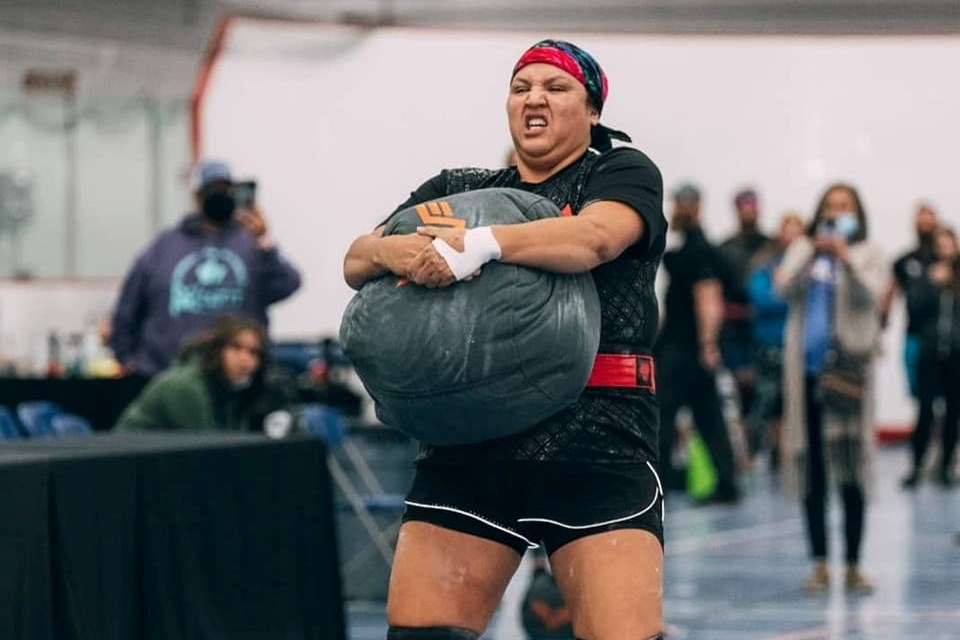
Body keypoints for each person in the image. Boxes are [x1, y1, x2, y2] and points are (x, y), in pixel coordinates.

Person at [343, 40, 667, 640]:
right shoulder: (459, 186)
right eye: (521, 88)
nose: (534, 98)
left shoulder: (620, 172)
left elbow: (594, 239)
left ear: (592, 110)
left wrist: (480, 245)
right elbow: (356, 258)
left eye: (555, 87)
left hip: (596, 443)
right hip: (471, 441)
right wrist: (397, 251)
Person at [775, 183, 887, 594]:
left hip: (849, 377)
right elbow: (782, 288)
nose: (838, 213)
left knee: (851, 468)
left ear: (857, 213)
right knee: (813, 472)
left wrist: (845, 261)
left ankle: (854, 564)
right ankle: (820, 563)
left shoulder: (869, 252)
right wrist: (810, 258)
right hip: (806, 374)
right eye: (831, 206)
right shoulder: (804, 249)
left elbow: (873, 296)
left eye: (846, 207)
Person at [109, 160, 301, 377]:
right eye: (212, 190)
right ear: (197, 196)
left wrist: (263, 241)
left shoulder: (249, 243)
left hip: (234, 384)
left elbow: (288, 284)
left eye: (225, 189)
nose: (219, 195)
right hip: (166, 376)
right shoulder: (164, 246)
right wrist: (128, 360)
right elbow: (126, 310)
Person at [656, 183, 740, 504]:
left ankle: (659, 483)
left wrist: (708, 343)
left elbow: (708, 298)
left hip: (686, 349)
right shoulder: (684, 248)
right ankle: (727, 482)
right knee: (708, 416)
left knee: (664, 414)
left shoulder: (698, 250)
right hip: (681, 345)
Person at [115, 315, 275, 432]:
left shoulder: (232, 389)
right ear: (216, 349)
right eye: (235, 347)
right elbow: (209, 452)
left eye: (254, 353)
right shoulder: (184, 386)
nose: (244, 359)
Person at [901, 226, 960, 488]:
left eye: (950, 244)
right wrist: (932, 284)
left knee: (952, 412)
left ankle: (946, 467)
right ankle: (916, 466)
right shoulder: (924, 275)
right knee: (925, 411)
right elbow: (913, 306)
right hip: (929, 351)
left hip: (956, 354)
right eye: (941, 244)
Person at [745, 212, 805, 467]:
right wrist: (789, 295)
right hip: (770, 342)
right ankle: (753, 453)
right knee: (767, 399)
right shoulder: (765, 264)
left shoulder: (811, 263)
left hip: (800, 343)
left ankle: (788, 453)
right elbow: (761, 298)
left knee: (795, 400)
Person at [717, 188, 773, 424]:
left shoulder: (771, 247)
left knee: (768, 394)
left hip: (764, 331)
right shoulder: (724, 249)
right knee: (736, 393)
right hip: (733, 331)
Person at [881, 204, 940, 398]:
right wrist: (882, 323)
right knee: (918, 390)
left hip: (944, 336)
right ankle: (925, 426)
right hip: (914, 334)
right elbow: (891, 291)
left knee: (944, 389)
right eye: (920, 219)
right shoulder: (905, 260)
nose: (925, 223)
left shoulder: (948, 260)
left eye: (929, 218)